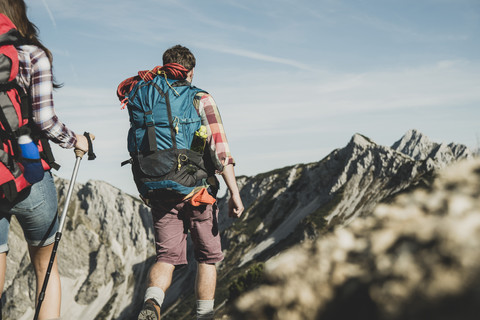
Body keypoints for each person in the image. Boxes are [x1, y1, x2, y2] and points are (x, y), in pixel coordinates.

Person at [120, 45, 244, 320]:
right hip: (198, 191)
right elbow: (221, 152)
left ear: (165, 67)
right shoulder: (200, 98)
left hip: (159, 190)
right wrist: (235, 193)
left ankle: (151, 304)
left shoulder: (145, 97)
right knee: (207, 258)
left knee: (166, 258)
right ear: (189, 72)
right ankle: (204, 316)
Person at [0, 0, 90, 319]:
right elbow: (44, 120)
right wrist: (76, 140)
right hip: (30, 173)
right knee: (46, 269)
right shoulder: (32, 54)